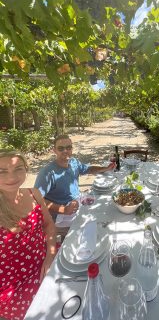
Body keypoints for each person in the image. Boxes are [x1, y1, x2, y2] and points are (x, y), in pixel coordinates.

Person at [0, 150, 56, 320]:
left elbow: (49, 225)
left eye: (18, 168)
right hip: (14, 284)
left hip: (46, 258)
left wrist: (50, 257)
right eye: (2, 171)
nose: (12, 177)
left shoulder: (34, 194)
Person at [34, 134, 115, 219]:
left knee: (106, 211)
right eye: (61, 148)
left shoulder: (73, 162)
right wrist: (63, 209)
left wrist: (106, 168)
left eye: (68, 147)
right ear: (54, 150)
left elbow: (89, 169)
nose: (65, 151)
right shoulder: (47, 173)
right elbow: (37, 199)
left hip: (78, 204)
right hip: (60, 217)